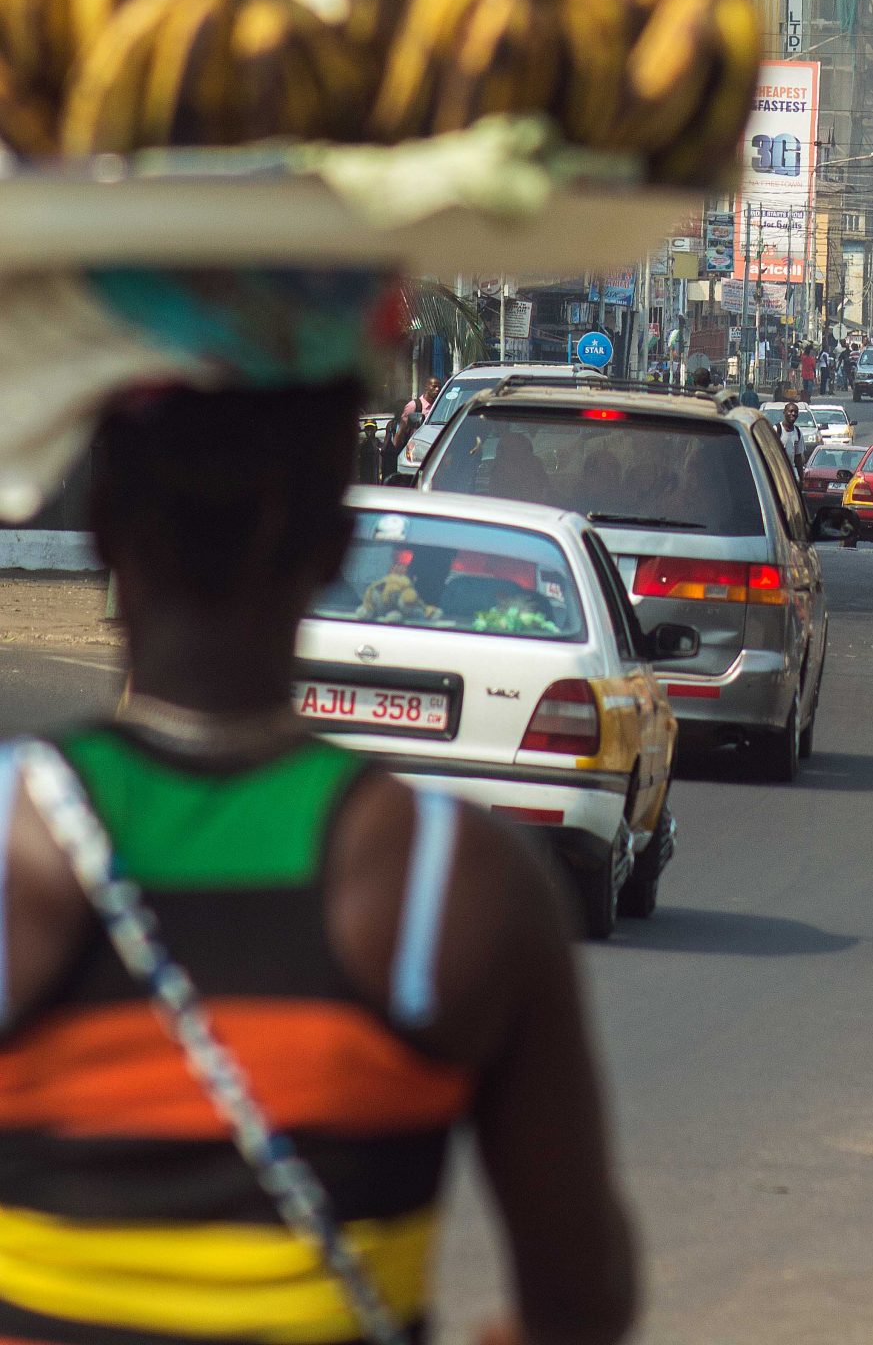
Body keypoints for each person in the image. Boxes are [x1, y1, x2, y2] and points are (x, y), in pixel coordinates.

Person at [0, 378, 637, 1345]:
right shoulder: (453, 881)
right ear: (337, 550)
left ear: (99, 529)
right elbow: (580, 1301)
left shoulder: (14, 837)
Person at [774, 398, 808, 478]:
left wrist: (801, 478)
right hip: (777, 472)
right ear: (784, 412)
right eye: (790, 411)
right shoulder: (776, 430)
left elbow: (798, 457)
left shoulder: (798, 432)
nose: (793, 414)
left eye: (795, 412)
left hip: (791, 474)